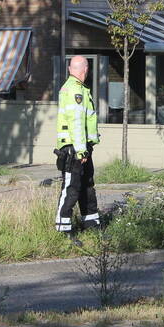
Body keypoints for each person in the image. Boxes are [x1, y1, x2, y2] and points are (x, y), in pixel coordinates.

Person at [55, 56, 101, 237]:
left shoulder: (78, 88)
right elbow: (76, 123)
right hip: (74, 149)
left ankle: (92, 225)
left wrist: (86, 148)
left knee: (87, 186)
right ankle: (63, 229)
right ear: (86, 70)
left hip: (82, 147)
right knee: (71, 189)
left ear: (70, 69)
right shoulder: (75, 90)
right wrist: (81, 151)